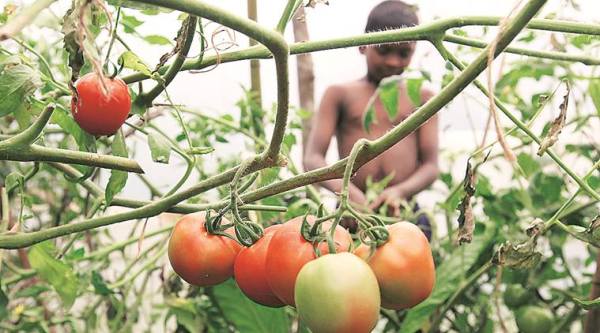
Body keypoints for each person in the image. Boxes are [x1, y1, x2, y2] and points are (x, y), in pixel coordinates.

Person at [303, 0, 438, 240]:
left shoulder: (423, 97)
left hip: (403, 214)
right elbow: (313, 159)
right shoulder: (339, 94)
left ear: (415, 50)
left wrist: (400, 191)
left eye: (404, 53)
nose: (393, 62)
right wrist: (349, 194)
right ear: (363, 46)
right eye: (384, 51)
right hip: (349, 213)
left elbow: (430, 166)